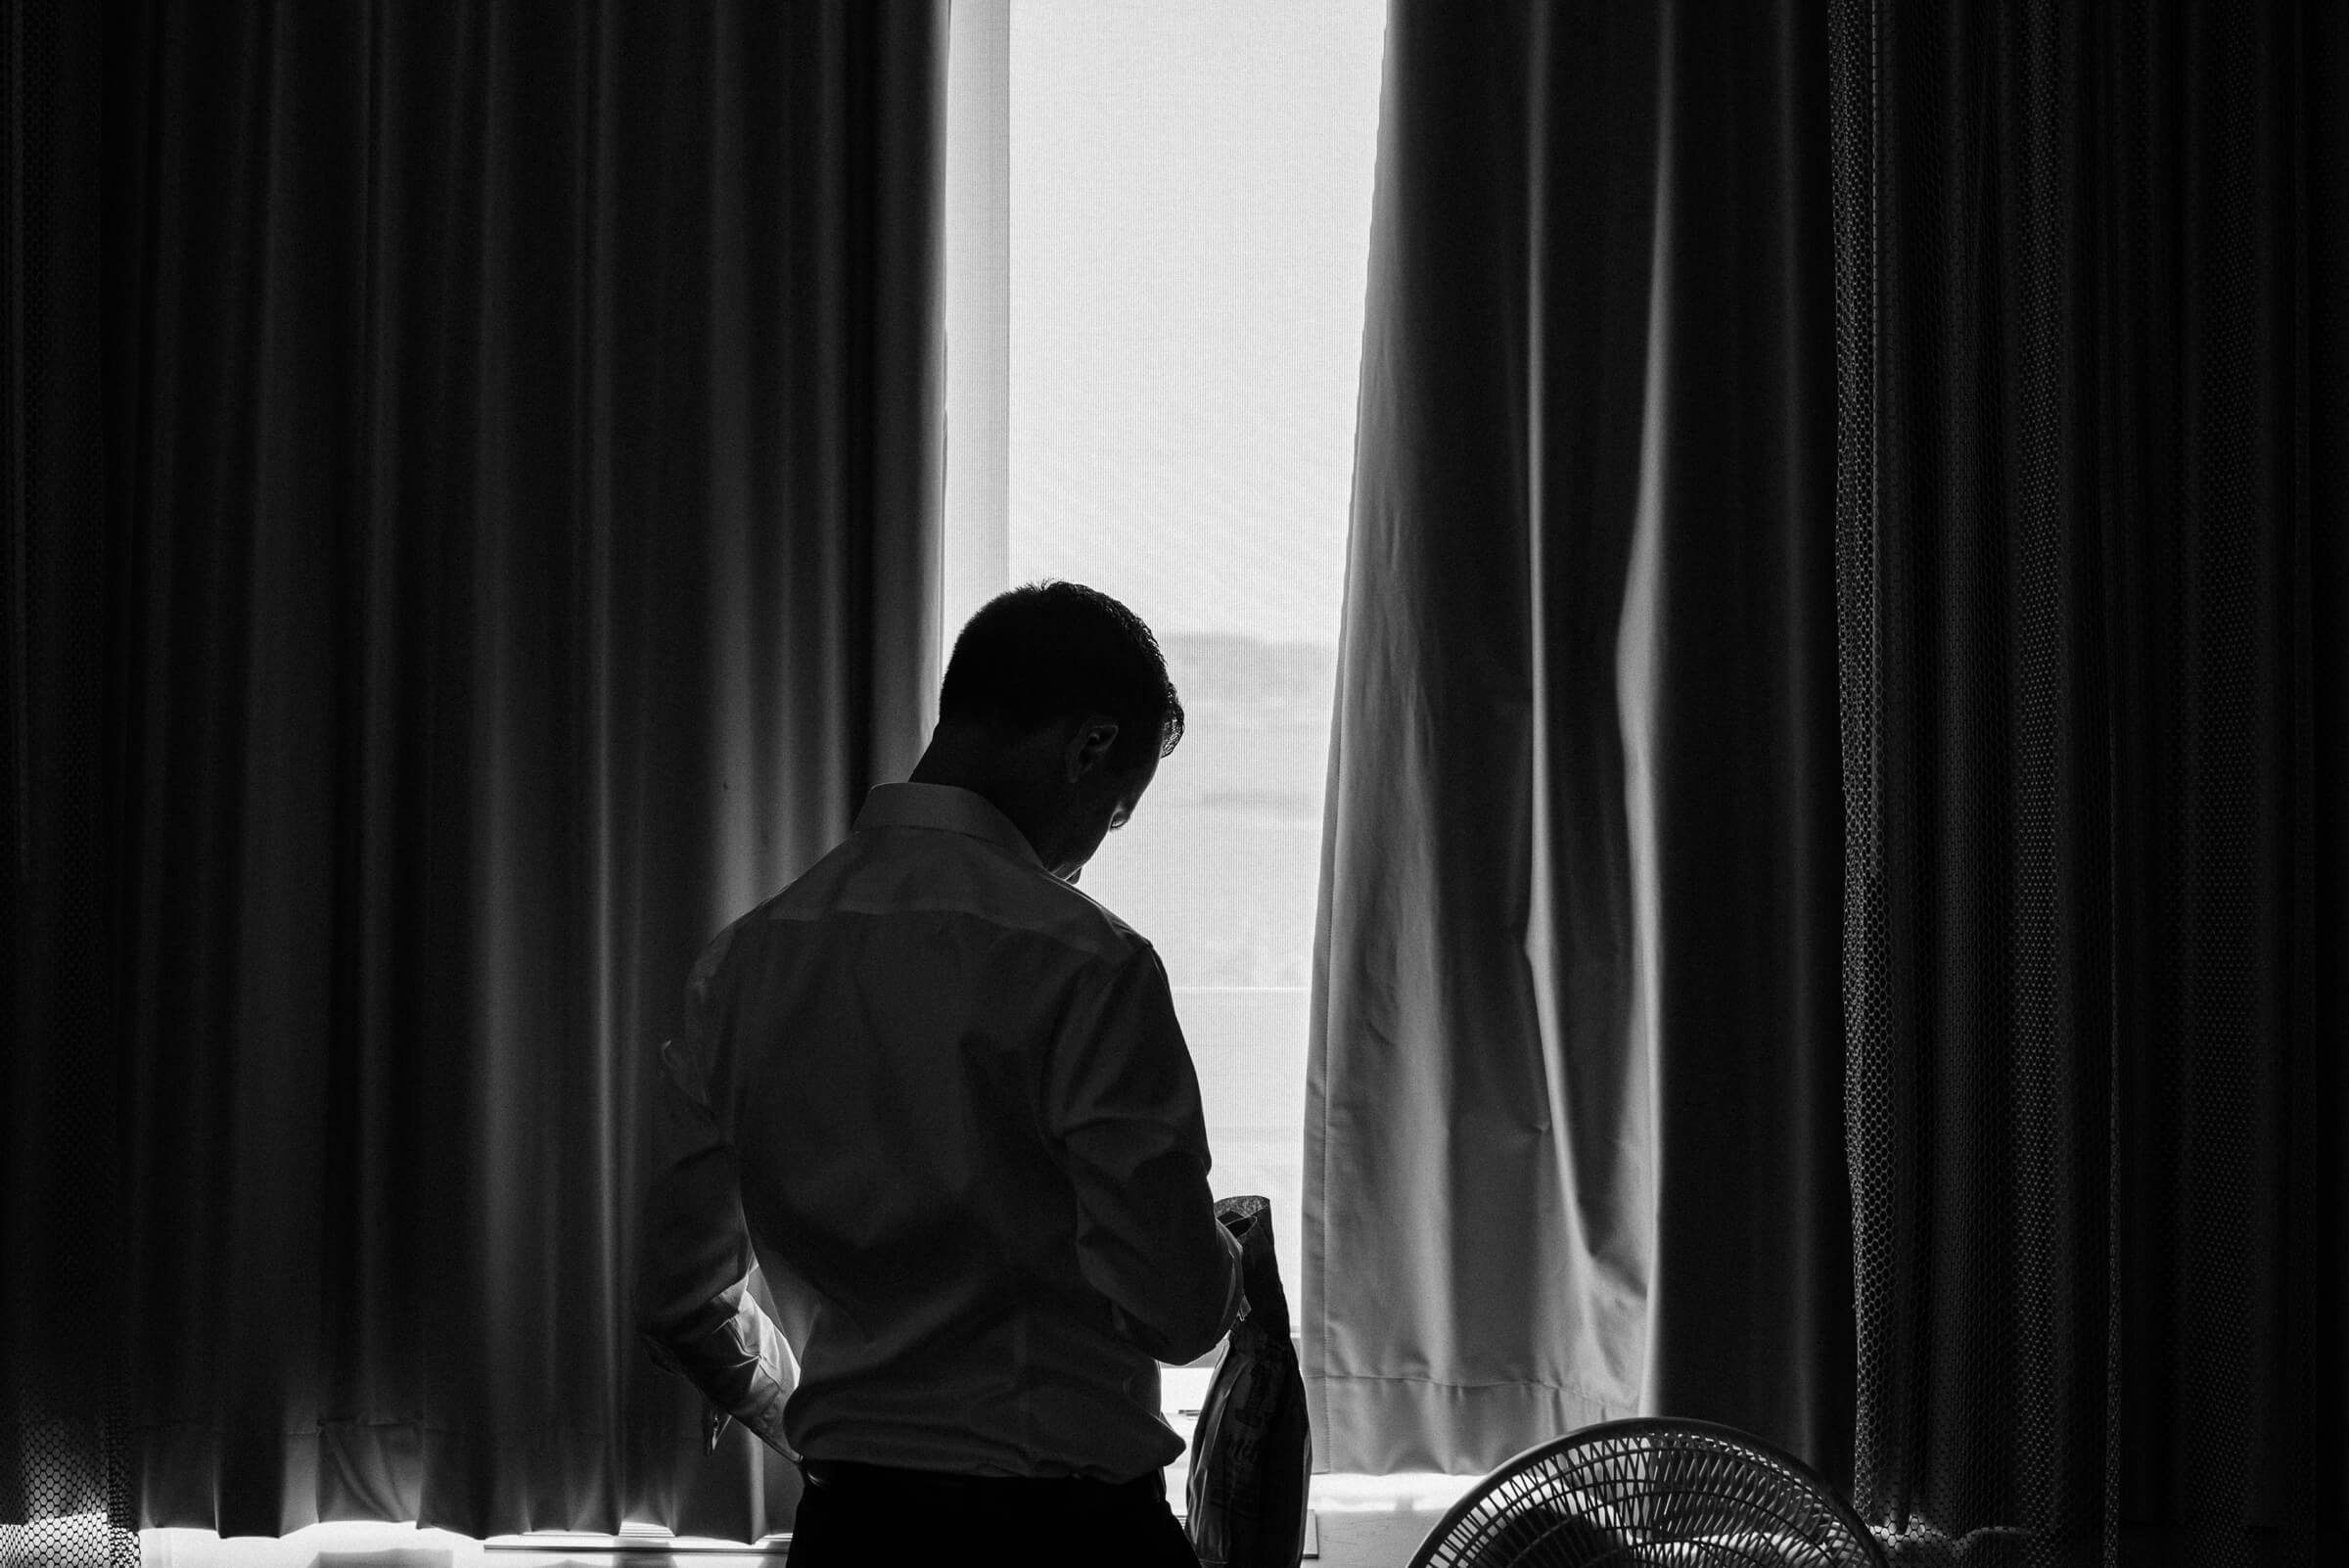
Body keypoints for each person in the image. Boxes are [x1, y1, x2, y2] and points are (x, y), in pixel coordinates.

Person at [634, 579, 1245, 1566]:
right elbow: (1175, 1313)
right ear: (1088, 747)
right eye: (1116, 814)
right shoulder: (1088, 963)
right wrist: (1227, 1262)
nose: (1088, 858)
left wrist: (830, 1435)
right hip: (1067, 1541)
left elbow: (676, 1297)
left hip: (853, 1537)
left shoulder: (741, 964)